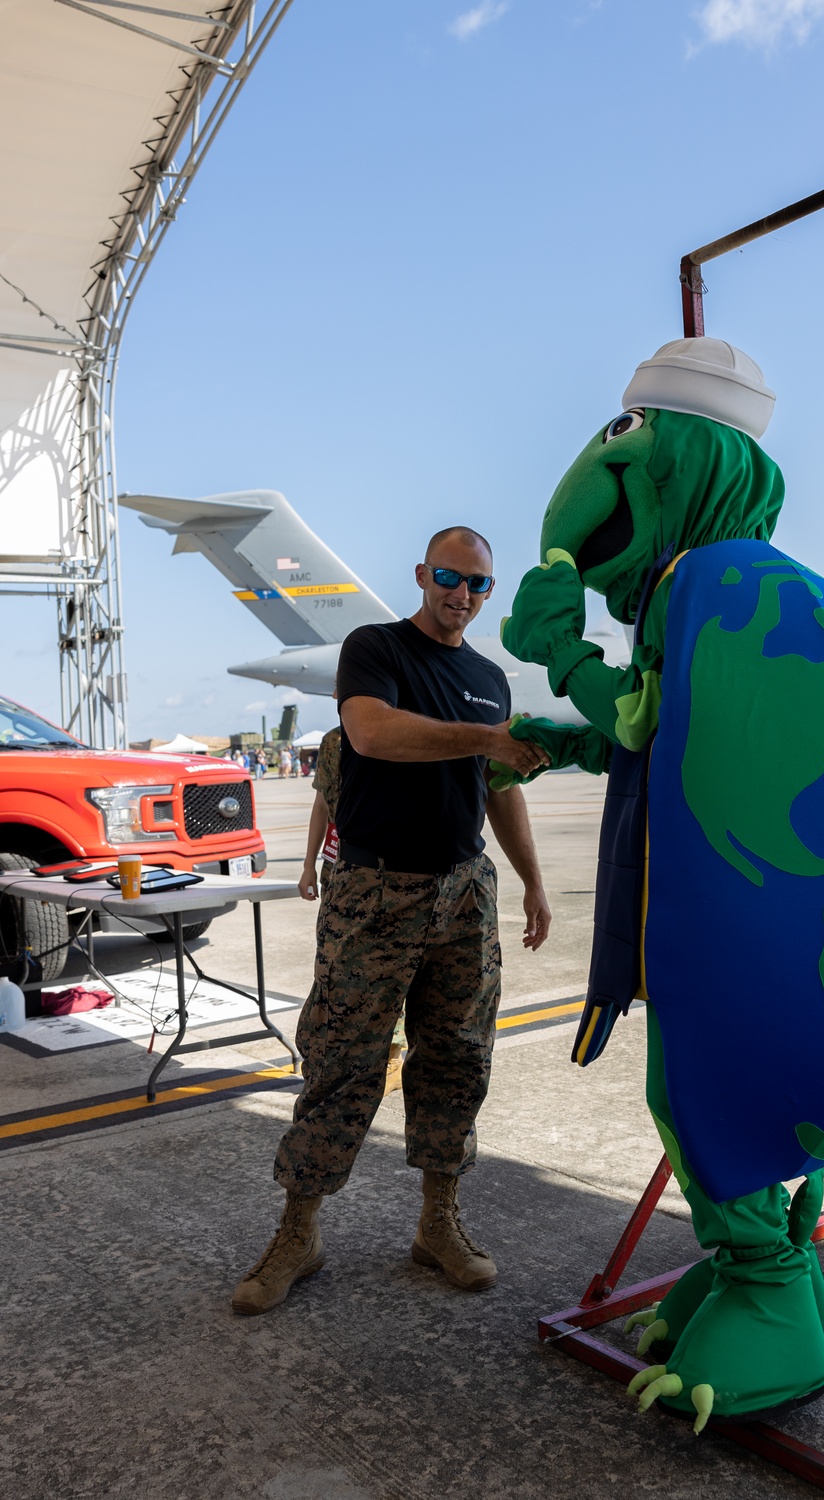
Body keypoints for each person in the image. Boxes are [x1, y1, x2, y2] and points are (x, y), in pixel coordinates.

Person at [232, 526, 551, 1315]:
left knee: (457, 1060)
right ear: (423, 574)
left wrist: (533, 883)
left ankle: (438, 1225)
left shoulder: (488, 678)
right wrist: (488, 739)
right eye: (451, 577)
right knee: (343, 1060)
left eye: (479, 584)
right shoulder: (375, 650)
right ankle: (298, 1234)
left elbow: (498, 788)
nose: (463, 595)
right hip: (373, 895)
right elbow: (371, 733)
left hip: (463, 892)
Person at [297, 727, 407, 1095]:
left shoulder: (398, 732)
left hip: (389, 872)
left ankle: (391, 1055)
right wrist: (309, 864)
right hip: (338, 869)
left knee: (388, 968)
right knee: (332, 968)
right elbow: (322, 807)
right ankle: (328, 1057)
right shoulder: (333, 742)